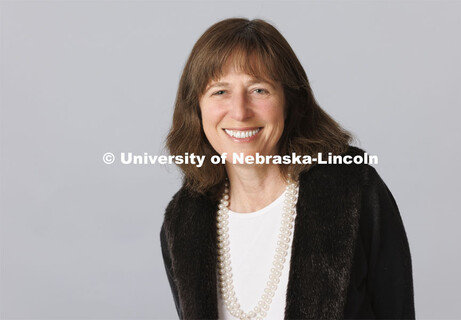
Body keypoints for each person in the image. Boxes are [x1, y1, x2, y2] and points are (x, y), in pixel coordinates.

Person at [160, 18, 415, 320]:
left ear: (289, 101)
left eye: (259, 90)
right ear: (196, 108)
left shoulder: (353, 191)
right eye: (220, 92)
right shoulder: (182, 221)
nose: (240, 111)